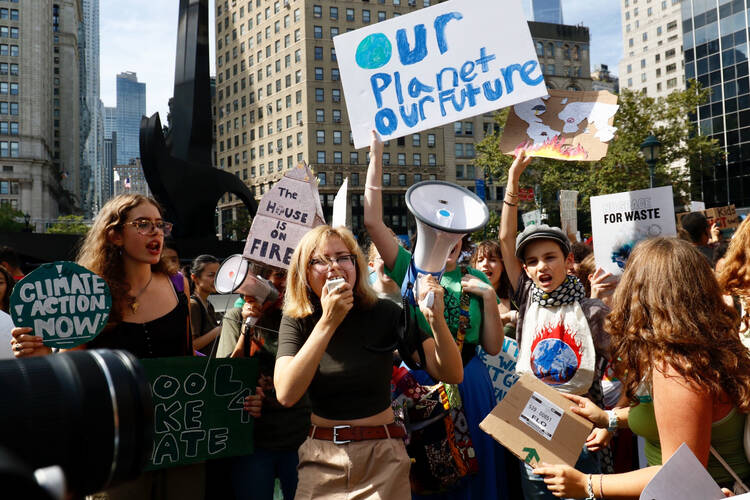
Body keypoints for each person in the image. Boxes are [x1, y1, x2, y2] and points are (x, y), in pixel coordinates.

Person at [9, 194, 257, 500]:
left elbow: (186, 359)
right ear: (113, 234)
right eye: (142, 224)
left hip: (179, 441)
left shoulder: (178, 283)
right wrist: (41, 353)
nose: (155, 232)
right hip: (116, 443)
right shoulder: (88, 293)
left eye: (159, 224)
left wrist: (234, 395)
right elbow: (73, 368)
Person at [533, 237, 750, 498]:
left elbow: (679, 475)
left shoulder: (678, 369)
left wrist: (588, 484)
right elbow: (679, 418)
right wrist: (610, 418)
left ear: (641, 293)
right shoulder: (703, 346)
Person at [364, 131, 506, 500]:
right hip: (419, 382)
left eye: (455, 233)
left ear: (463, 241)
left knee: (471, 466)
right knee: (425, 472)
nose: (447, 236)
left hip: (470, 382)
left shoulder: (475, 279)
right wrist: (376, 157)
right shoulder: (407, 268)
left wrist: (489, 300)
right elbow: (373, 224)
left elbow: (492, 348)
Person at [274, 225, 464, 499]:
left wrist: (436, 319)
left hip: (383, 456)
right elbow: (286, 393)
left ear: (356, 264)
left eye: (342, 257)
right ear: (304, 272)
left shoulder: (385, 313)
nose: (334, 267)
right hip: (322, 458)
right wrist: (328, 322)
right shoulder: (297, 320)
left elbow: (450, 372)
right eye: (320, 261)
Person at [498, 151, 610, 499]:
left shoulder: (593, 311)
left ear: (568, 260)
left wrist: (609, 423)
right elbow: (505, 239)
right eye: (531, 261)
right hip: (533, 421)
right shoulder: (528, 297)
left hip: (582, 429)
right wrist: (513, 182)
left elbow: (630, 371)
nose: (540, 267)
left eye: (549, 257)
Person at [217, 264, 310, 500]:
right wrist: (248, 327)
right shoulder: (236, 317)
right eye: (276, 276)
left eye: (288, 277)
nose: (280, 285)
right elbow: (226, 374)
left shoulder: (303, 318)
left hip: (299, 436)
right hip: (252, 440)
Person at [472, 240, 516, 334]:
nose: (485, 264)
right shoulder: (465, 298)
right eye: (480, 260)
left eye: (492, 260)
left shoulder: (516, 300)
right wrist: (506, 318)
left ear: (503, 266)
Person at [189, 254, 222, 356]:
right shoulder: (193, 305)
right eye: (211, 275)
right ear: (195, 278)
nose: (216, 279)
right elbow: (192, 345)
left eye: (218, 275)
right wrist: (218, 330)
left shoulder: (208, 305)